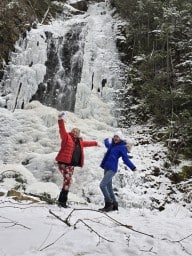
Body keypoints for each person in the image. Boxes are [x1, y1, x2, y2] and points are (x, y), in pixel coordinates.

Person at [55, 112, 99, 208]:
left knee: (68, 181)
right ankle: (62, 202)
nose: (75, 133)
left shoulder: (80, 142)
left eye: (77, 132)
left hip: (71, 165)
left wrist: (95, 143)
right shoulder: (67, 137)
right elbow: (62, 130)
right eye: (74, 131)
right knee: (68, 180)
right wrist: (60, 120)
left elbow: (87, 143)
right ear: (71, 132)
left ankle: (61, 201)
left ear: (79, 134)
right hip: (63, 163)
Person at [99, 131, 137, 212]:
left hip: (112, 169)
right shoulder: (112, 145)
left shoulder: (122, 147)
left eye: (117, 137)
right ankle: (115, 205)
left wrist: (133, 168)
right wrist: (106, 140)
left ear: (120, 138)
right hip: (106, 167)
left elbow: (125, 159)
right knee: (109, 188)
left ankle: (108, 203)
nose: (116, 138)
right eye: (115, 136)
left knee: (102, 185)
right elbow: (107, 145)